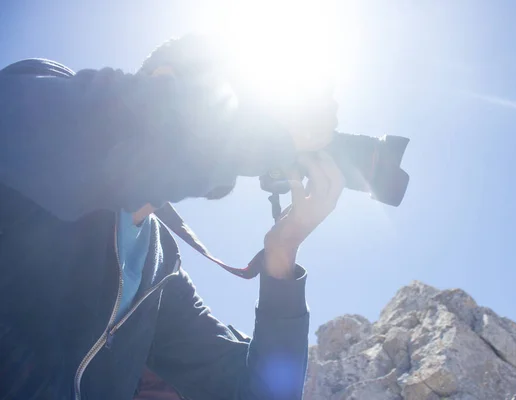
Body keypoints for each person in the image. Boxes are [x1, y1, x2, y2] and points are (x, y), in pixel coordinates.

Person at [0, 34, 343, 400]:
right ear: (162, 82)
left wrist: (282, 255)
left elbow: (261, 393)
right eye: (230, 103)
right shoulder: (35, 99)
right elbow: (83, 131)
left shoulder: (160, 272)